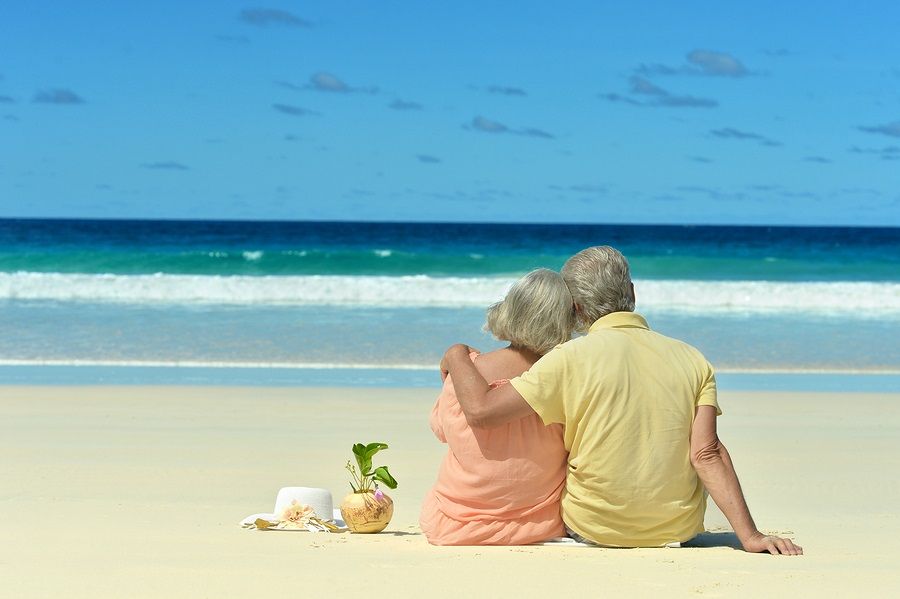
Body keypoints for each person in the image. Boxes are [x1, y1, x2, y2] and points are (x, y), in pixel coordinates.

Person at [440, 246, 802, 555]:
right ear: (632, 291)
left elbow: (484, 412)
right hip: (677, 530)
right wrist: (750, 536)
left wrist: (458, 354)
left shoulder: (568, 359)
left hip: (593, 528)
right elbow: (706, 454)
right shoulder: (693, 358)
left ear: (577, 310)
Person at [420, 268, 575, 545]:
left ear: (511, 311)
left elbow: (441, 430)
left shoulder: (466, 373)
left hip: (454, 524)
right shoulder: (563, 380)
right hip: (540, 524)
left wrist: (458, 355)